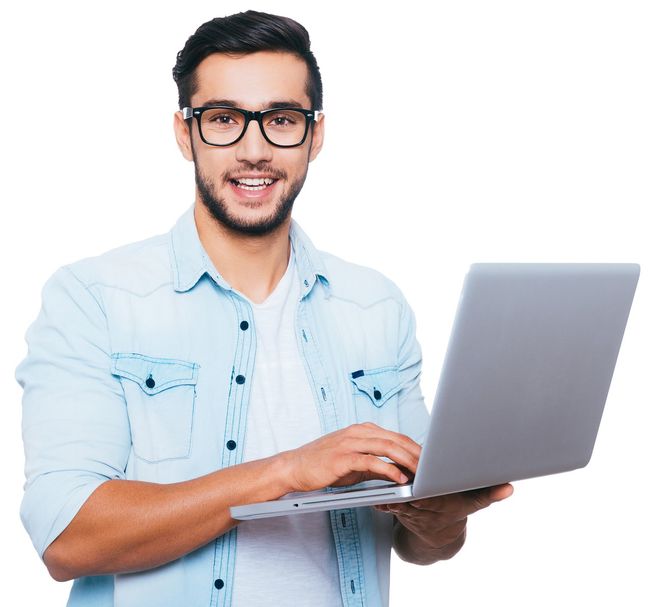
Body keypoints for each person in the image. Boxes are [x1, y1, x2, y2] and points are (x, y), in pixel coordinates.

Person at [15, 10, 513, 607]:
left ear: (315, 135)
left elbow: (421, 544)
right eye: (223, 119)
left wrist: (442, 517)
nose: (254, 151)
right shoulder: (93, 299)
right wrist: (285, 473)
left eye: (281, 120)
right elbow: (67, 538)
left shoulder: (376, 306)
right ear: (185, 132)